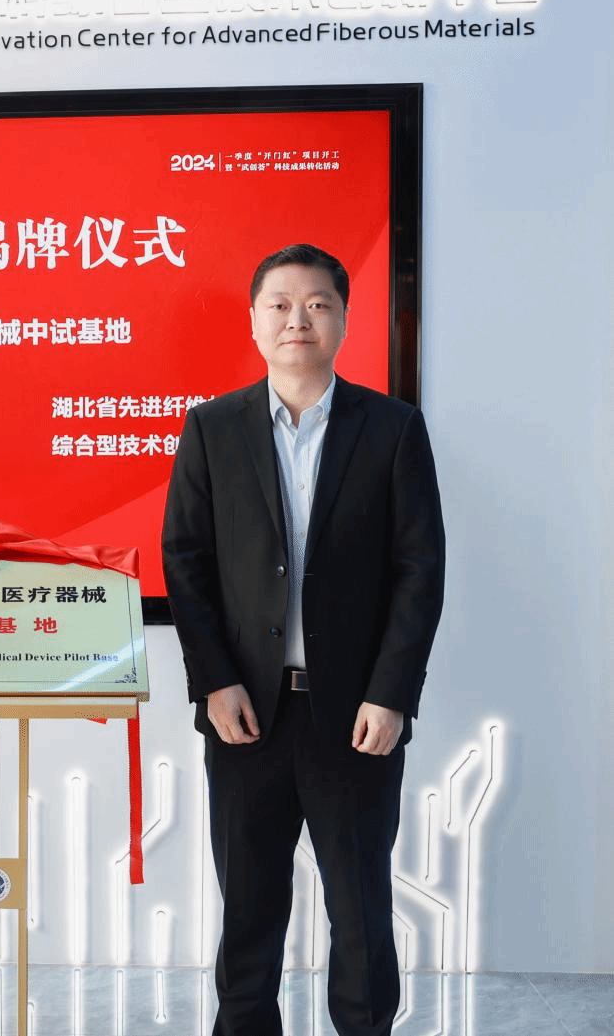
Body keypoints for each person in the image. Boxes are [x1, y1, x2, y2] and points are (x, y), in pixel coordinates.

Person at [162, 244, 444, 1036]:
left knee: (360, 909)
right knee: (248, 911)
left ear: (344, 320)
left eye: (318, 303)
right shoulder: (212, 427)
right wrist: (213, 680)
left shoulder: (392, 428)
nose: (298, 318)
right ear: (254, 322)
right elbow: (185, 560)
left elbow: (420, 569)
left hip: (356, 716)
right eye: (280, 304)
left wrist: (391, 692)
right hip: (245, 713)